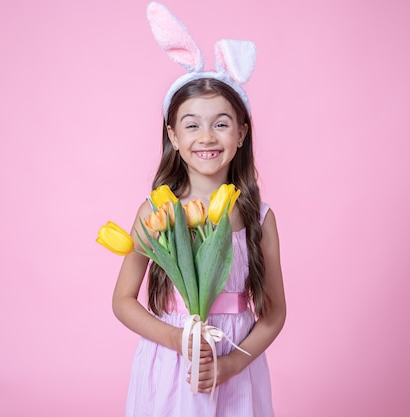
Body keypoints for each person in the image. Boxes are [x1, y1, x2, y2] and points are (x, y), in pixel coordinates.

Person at [111, 3, 286, 416]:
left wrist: (231, 364)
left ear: (242, 133)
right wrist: (175, 340)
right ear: (172, 134)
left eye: (221, 123)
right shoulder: (157, 212)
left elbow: (275, 311)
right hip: (171, 364)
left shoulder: (258, 217)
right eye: (191, 124)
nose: (206, 136)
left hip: (234, 364)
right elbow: (122, 300)